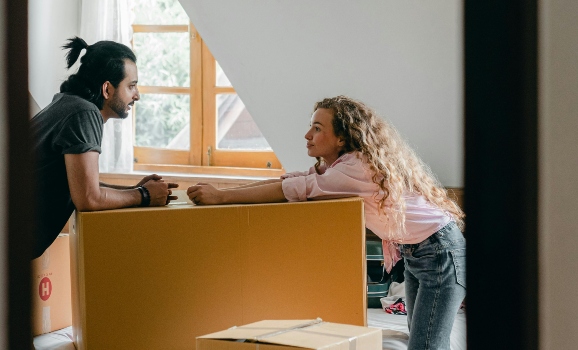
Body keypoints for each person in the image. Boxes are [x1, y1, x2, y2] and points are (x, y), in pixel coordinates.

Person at [187, 95, 465, 350]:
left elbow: (294, 190)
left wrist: (221, 198)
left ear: (342, 138)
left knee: (427, 345)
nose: (307, 135)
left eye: (318, 128)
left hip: (439, 253)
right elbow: (289, 182)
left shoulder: (354, 168)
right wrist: (222, 194)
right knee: (428, 342)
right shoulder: (337, 167)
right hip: (422, 251)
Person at [31, 36, 177, 259]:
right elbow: (88, 198)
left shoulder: (67, 104)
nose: (137, 95)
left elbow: (81, 185)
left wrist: (131, 190)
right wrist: (144, 195)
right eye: (131, 86)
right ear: (107, 89)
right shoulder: (83, 113)